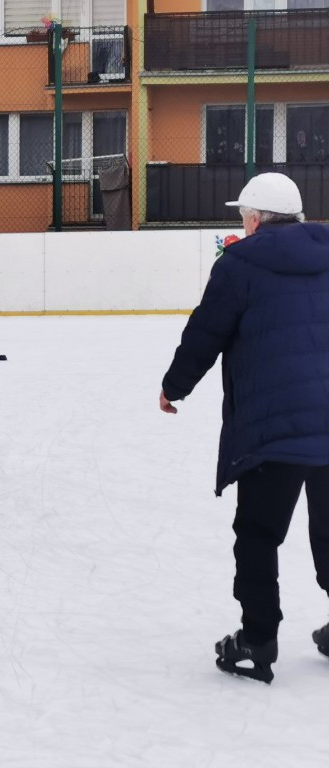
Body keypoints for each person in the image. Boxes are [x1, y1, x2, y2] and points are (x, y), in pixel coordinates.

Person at [159, 172, 329, 683]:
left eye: (243, 216)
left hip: (273, 430)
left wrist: (175, 386)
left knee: (257, 534)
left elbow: (206, 332)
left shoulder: (239, 264)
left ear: (254, 218)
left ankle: (257, 640)